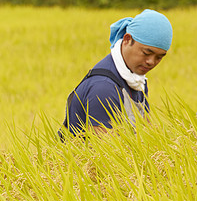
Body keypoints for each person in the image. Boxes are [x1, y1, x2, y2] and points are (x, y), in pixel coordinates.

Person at [60, 9, 173, 139]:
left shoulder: (137, 80)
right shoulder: (103, 87)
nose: (151, 62)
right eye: (146, 53)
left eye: (159, 57)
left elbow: (147, 134)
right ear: (127, 39)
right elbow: (105, 152)